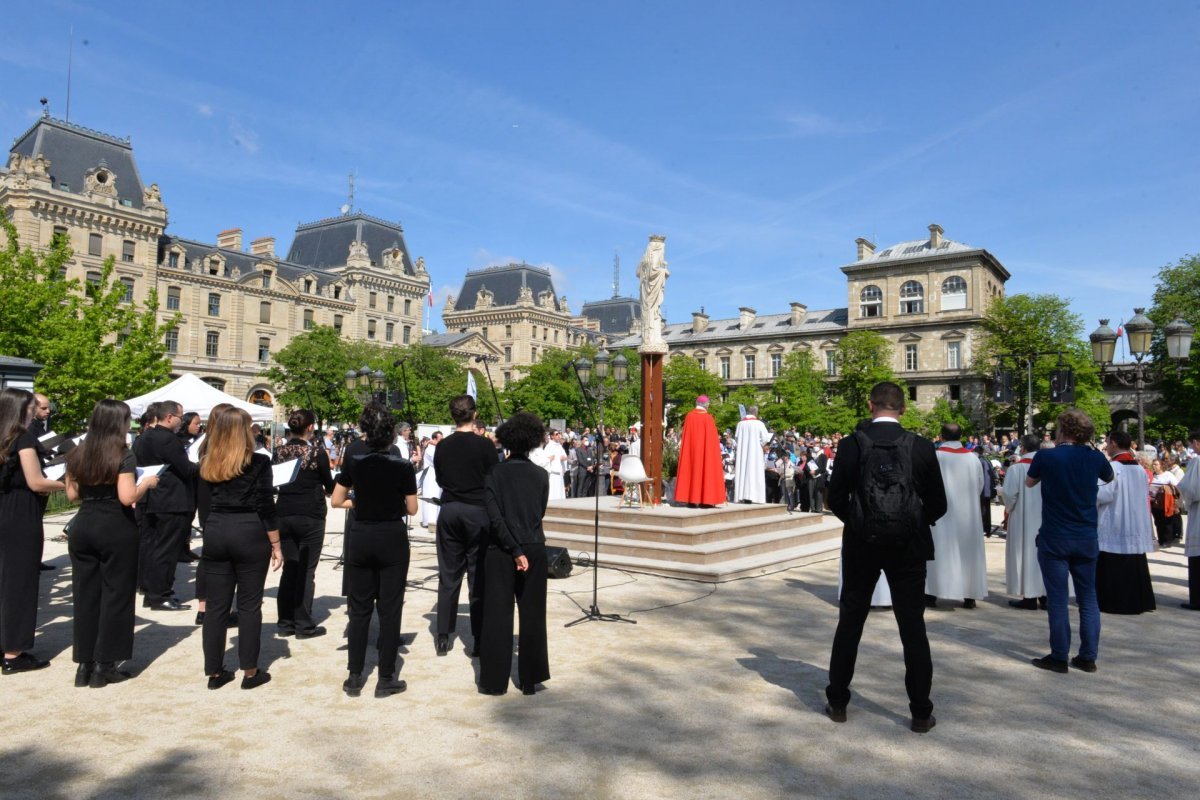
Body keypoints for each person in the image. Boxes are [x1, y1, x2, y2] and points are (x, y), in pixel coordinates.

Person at [825, 382, 947, 733]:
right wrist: (911, 521)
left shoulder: (850, 445)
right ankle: (921, 711)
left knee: (851, 622)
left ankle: (837, 701)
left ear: (870, 405)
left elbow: (835, 498)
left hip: (862, 545)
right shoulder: (922, 447)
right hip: (908, 548)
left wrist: (861, 521)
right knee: (913, 628)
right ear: (903, 409)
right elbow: (939, 504)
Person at [64, 399, 158, 687]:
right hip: (115, 526)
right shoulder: (122, 454)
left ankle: (85, 664)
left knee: (86, 595)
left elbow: (71, 495)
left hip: (83, 524)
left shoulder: (77, 452)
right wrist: (147, 483)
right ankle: (106, 664)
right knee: (116, 595)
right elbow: (127, 497)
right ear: (121, 422)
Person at [331, 403, 418, 697]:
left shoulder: (354, 462)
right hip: (391, 536)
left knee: (360, 609)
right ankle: (386, 677)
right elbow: (412, 508)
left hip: (362, 535)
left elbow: (336, 500)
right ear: (391, 435)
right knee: (391, 609)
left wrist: (360, 502)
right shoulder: (402, 466)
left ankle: (354, 676)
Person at [198, 407, 282, 690]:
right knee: (249, 606)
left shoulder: (209, 461)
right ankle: (249, 670)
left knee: (216, 607)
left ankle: (214, 672)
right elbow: (265, 504)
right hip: (248, 531)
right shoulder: (258, 462)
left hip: (217, 529)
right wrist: (276, 543)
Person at [1025, 410, 1114, 673]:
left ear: (1063, 430)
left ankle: (1059, 655)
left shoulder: (1047, 456)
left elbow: (1030, 482)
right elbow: (1109, 478)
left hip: (1055, 535)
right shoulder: (1095, 457)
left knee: (1058, 598)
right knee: (1088, 598)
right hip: (1086, 535)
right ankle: (1088, 657)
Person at [479, 412, 551, 696]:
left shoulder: (494, 474)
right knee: (533, 614)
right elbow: (539, 512)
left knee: (498, 613)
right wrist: (522, 549)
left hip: (501, 549)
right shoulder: (541, 475)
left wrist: (513, 549)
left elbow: (495, 518)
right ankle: (530, 679)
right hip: (534, 546)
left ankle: (494, 681)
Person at [0, 388, 65, 673]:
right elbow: (37, 482)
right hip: (20, 511)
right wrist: (68, 484)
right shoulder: (23, 437)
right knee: (20, 583)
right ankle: (14, 653)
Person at [432, 394, 499, 656]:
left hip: (449, 509)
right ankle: (479, 637)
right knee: (478, 576)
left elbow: (439, 477)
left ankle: (443, 635)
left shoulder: (443, 446)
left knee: (448, 574)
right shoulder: (484, 446)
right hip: (477, 511)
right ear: (474, 414)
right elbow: (493, 480)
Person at [273, 409, 334, 638]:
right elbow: (328, 486)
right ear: (310, 427)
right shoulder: (316, 453)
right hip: (310, 514)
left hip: (285, 512)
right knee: (306, 571)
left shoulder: (278, 452)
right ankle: (303, 624)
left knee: (290, 568)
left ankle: (285, 622)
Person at [133, 399, 198, 611]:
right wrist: (201, 465)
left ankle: (150, 591)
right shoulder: (168, 440)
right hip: (172, 500)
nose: (181, 421)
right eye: (180, 417)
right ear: (169, 417)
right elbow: (186, 469)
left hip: (153, 498)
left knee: (153, 547)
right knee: (167, 550)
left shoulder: (144, 437)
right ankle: (161, 594)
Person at [926, 424, 987, 609]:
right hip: (968, 514)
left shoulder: (935, 457)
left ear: (942, 436)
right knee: (968, 552)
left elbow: (926, 485)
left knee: (939, 551)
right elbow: (980, 486)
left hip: (941, 513)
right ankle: (969, 595)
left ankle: (932, 593)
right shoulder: (973, 459)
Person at [1095, 431, 1157, 615]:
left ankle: (1115, 602)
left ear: (1114, 443)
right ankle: (1139, 600)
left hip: (1116, 519)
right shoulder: (1139, 468)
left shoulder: (1113, 467)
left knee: (1113, 561)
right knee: (1134, 561)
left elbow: (1103, 494)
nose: (1106, 446)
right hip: (1135, 520)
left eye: (1107, 442)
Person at [1003, 434, 1046, 609]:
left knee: (1025, 554)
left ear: (1023, 448)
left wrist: (1009, 509)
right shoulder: (1048, 465)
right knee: (1044, 556)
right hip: (1045, 516)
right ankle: (1045, 595)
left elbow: (1009, 494)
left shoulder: (1017, 469)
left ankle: (1029, 596)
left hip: (1023, 516)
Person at [674, 395, 725, 508]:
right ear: (706, 405)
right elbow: (713, 443)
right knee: (706, 470)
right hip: (705, 453)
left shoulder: (689, 417)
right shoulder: (708, 418)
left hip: (691, 451)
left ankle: (691, 500)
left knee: (691, 470)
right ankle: (705, 500)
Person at [1177, 429, 1200, 610]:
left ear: (1197, 442)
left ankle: (1197, 600)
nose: (1192, 447)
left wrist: (1182, 492)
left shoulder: (1197, 461)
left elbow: (1191, 489)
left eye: (1192, 443)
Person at [733, 407, 772, 503]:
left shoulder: (740, 424)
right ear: (756, 413)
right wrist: (761, 445)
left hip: (743, 453)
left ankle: (742, 495)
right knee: (754, 472)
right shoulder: (759, 424)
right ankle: (755, 496)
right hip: (755, 452)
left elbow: (737, 438)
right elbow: (765, 439)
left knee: (743, 471)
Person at [1149, 456, 1182, 547]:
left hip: (1166, 501)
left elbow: (1177, 486)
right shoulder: (1152, 475)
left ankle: (1168, 540)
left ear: (1161, 465)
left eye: (1156, 464)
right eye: (1153, 464)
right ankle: (1161, 539)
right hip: (1154, 502)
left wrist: (1166, 488)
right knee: (1158, 521)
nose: (1154, 466)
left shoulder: (1168, 475)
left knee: (1167, 521)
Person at [420, 431, 442, 529]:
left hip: (434, 476)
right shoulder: (431, 449)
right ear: (434, 439)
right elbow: (437, 462)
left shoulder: (434, 448)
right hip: (431, 477)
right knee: (431, 498)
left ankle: (432, 520)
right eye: (440, 439)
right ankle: (429, 521)